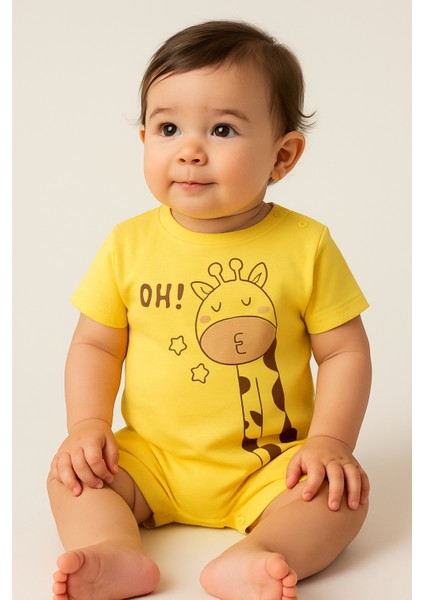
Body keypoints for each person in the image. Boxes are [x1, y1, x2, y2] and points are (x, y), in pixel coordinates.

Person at [47, 20, 372, 600]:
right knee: (71, 477)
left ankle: (260, 554)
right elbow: (95, 344)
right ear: (144, 139)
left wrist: (331, 442)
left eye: (222, 129)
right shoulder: (127, 244)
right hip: (152, 460)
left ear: (283, 155)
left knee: (340, 496)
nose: (189, 150)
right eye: (168, 128)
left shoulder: (307, 246)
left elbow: (344, 351)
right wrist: (87, 427)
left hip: (271, 463)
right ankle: (114, 550)